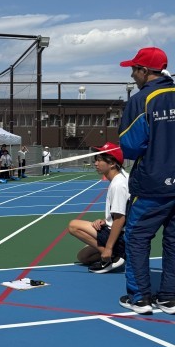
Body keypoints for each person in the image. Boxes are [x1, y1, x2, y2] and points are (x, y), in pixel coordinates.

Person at [117, 46, 175, 314]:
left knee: (137, 238)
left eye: (134, 69)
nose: (132, 74)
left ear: (144, 70)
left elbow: (131, 146)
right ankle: (169, 297)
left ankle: (140, 297)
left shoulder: (141, 100)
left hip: (153, 182)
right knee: (173, 241)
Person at [68, 143, 128, 274]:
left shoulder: (118, 185)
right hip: (119, 232)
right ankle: (115, 253)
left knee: (73, 225)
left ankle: (113, 256)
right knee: (84, 257)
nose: (96, 163)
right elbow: (125, 211)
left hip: (121, 237)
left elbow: (120, 219)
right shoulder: (122, 177)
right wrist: (105, 221)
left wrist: (108, 248)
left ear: (112, 163)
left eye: (99, 160)